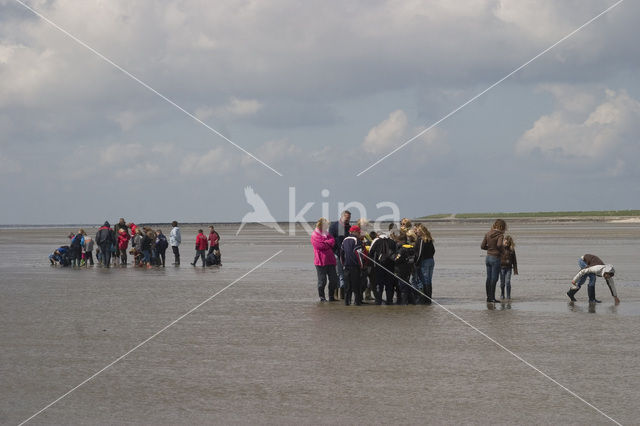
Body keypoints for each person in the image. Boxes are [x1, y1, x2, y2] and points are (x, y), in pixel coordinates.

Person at [311, 218, 338, 302]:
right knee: (322, 281)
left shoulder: (327, 233)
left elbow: (333, 241)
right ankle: (322, 297)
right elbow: (320, 246)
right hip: (320, 262)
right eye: (326, 225)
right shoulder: (314, 235)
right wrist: (327, 243)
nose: (327, 227)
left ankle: (331, 296)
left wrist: (326, 242)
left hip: (331, 260)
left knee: (334, 280)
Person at [368, 230, 397, 305]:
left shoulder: (376, 241)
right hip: (390, 266)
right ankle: (389, 301)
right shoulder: (392, 241)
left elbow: (370, 252)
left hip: (379, 266)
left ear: (378, 235)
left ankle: (378, 301)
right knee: (389, 284)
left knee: (379, 284)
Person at [481, 219, 506, 303]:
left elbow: (482, 246)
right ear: (502, 227)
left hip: (488, 257)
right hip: (495, 258)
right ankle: (492, 298)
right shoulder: (500, 235)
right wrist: (503, 252)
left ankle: (488, 297)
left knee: (488, 278)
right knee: (494, 279)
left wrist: (490, 249)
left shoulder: (488, 233)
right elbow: (499, 245)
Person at [329, 210, 351, 298]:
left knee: (343, 273)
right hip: (336, 253)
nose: (348, 219)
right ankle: (337, 294)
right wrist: (336, 252)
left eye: (349, 218)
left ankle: (342, 294)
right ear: (342, 216)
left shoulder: (347, 226)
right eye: (346, 217)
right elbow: (335, 240)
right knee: (339, 273)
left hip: (344, 253)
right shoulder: (336, 226)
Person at [340, 225, 364, 306]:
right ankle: (357, 303)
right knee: (356, 286)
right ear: (355, 232)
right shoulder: (357, 240)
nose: (359, 234)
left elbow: (341, 254)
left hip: (346, 266)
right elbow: (359, 254)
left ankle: (347, 303)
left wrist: (343, 264)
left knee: (348, 287)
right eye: (358, 232)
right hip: (355, 266)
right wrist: (361, 265)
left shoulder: (344, 240)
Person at [414, 224, 435, 305]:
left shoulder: (421, 239)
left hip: (424, 261)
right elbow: (433, 250)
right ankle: (428, 299)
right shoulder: (429, 239)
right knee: (428, 280)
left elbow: (419, 253)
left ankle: (426, 299)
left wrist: (416, 263)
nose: (416, 232)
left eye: (418, 230)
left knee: (425, 280)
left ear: (421, 231)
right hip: (431, 260)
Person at [393, 230, 415, 305]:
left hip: (401, 270)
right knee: (407, 284)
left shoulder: (402, 249)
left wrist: (392, 256)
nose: (397, 243)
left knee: (402, 286)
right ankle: (412, 301)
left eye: (398, 241)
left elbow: (396, 259)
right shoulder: (411, 247)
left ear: (402, 241)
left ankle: (404, 302)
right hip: (408, 269)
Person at [499, 235, 518, 300]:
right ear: (503, 241)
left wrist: (515, 270)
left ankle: (508, 296)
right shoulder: (500, 248)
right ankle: (502, 294)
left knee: (507, 282)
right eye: (504, 242)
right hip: (501, 268)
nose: (505, 243)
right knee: (502, 283)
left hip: (509, 268)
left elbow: (514, 261)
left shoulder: (511, 249)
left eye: (507, 243)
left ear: (509, 243)